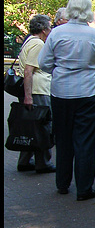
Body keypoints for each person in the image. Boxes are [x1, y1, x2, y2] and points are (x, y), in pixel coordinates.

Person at [38, 0, 95, 200]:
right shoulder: (94, 35)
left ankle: (62, 183)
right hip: (88, 91)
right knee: (85, 140)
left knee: (63, 138)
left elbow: (43, 63)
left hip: (61, 91)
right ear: (88, 10)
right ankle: (84, 188)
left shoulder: (56, 33)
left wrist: (60, 69)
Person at [16, 14, 55, 173]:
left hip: (34, 90)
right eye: (49, 27)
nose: (51, 30)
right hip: (38, 90)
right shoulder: (38, 44)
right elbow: (28, 71)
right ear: (44, 29)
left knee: (31, 125)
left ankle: (25, 160)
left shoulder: (29, 41)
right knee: (43, 126)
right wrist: (28, 96)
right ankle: (42, 163)